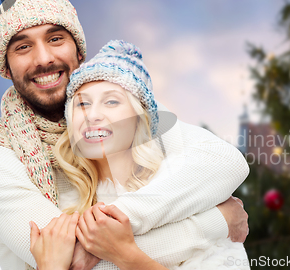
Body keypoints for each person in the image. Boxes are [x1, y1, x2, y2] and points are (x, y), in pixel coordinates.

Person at [0, 0, 249, 269]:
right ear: (6, 67)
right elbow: (76, 260)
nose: (44, 58)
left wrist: (115, 224)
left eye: (56, 38)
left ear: (79, 51)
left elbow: (225, 162)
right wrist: (217, 221)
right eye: (23, 46)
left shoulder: (125, 110)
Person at [29, 40, 250, 270]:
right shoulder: (60, 208)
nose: (92, 115)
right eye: (82, 104)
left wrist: (121, 252)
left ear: (139, 120)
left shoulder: (184, 190)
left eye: (111, 101)